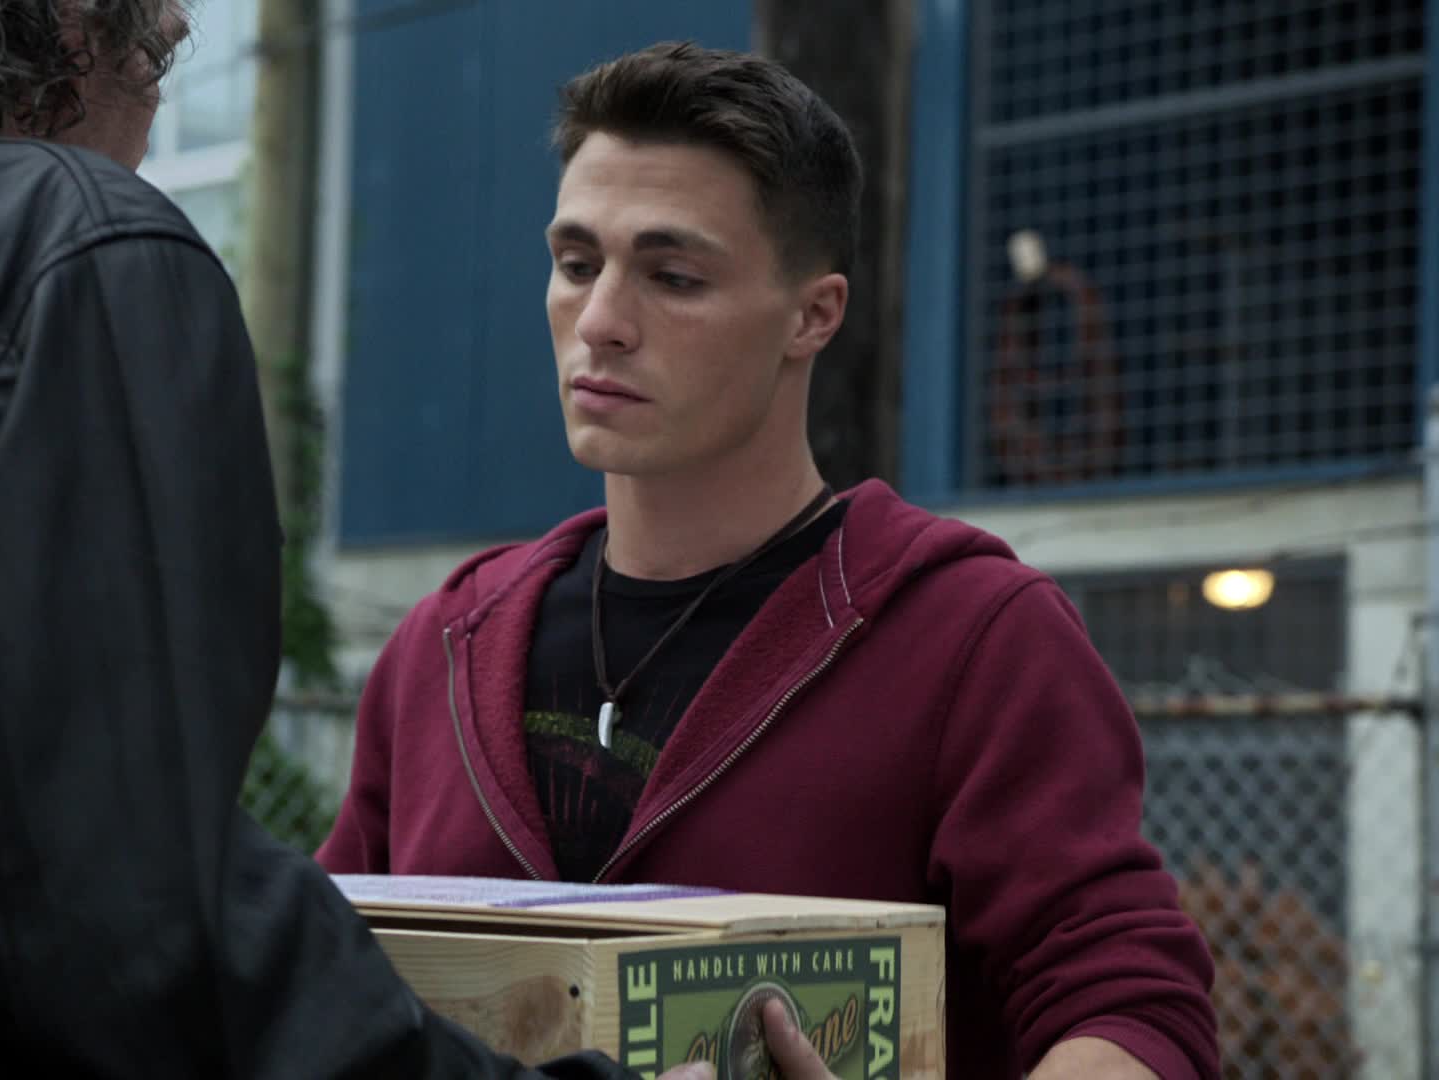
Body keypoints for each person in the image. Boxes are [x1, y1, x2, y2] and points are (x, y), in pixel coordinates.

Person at [0, 5, 824, 1077]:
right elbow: (126, 932)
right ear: (80, 28)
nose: (147, 141)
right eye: (167, 47)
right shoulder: (52, 248)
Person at [318, 41, 1221, 1080]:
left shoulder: (970, 636)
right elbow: (322, 979)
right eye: (576, 264)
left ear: (812, 314)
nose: (600, 323)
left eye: (673, 276)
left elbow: (1136, 1009)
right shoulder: (447, 644)